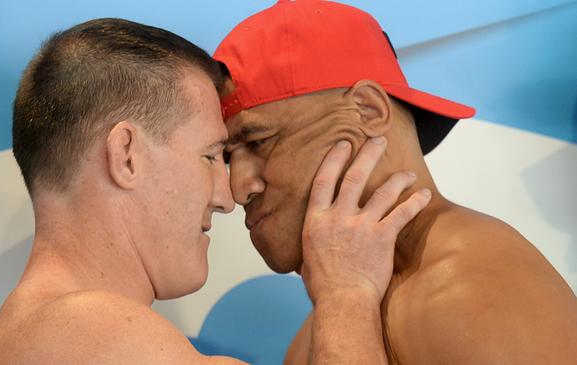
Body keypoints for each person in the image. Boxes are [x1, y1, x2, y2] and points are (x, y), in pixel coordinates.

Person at [0, 17, 430, 364]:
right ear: (126, 155)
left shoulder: (30, 333)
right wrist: (346, 295)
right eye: (212, 156)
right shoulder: (92, 335)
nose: (226, 196)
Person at [214, 1, 577, 364]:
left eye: (257, 142)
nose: (238, 187)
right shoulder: (335, 311)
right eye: (228, 156)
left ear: (368, 111)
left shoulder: (475, 290)